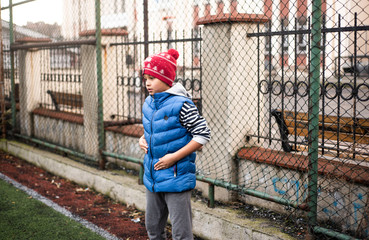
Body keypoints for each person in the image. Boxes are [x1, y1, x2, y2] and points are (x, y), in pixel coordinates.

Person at [138, 48, 211, 240]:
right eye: (146, 79)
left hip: (176, 178)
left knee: (182, 234)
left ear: (166, 79)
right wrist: (142, 139)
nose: (147, 83)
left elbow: (203, 134)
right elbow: (152, 130)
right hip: (152, 176)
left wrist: (174, 158)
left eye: (152, 78)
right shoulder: (148, 102)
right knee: (153, 228)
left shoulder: (182, 104)